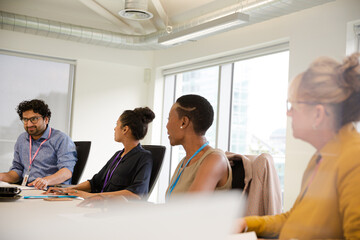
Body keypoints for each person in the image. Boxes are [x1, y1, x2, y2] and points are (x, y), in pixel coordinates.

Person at [236, 53, 360, 239]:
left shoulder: (354, 159)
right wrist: (246, 223)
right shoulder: (322, 157)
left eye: (293, 105)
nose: (288, 113)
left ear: (318, 114)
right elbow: (294, 219)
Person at [47, 107, 155, 200]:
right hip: (98, 204)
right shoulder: (118, 155)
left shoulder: (143, 157)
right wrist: (67, 189)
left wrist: (93, 196)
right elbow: (95, 183)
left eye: (117, 124)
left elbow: (136, 194)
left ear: (125, 129)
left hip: (115, 211)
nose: (114, 128)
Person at [165, 94, 232, 200]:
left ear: (184, 122)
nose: (167, 125)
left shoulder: (214, 159)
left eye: (169, 118)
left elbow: (191, 209)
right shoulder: (185, 161)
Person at [0, 99, 77, 190]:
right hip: (26, 190)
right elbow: (17, 171)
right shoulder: (22, 139)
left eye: (34, 119)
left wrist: (46, 181)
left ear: (46, 119)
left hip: (50, 191)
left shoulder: (61, 139)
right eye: (25, 119)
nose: (29, 124)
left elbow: (66, 172)